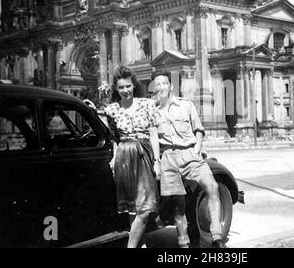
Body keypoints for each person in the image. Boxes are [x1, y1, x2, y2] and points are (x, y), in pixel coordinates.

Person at [85, 66, 161, 248]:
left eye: (128, 86)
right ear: (116, 89)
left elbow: (153, 134)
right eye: (121, 87)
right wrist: (114, 157)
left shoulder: (147, 104)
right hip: (124, 158)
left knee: (144, 209)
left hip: (143, 154)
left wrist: (157, 161)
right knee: (133, 209)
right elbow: (114, 137)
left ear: (134, 85)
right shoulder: (112, 110)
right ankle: (140, 245)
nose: (125, 90)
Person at [152, 71, 226, 248]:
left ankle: (217, 237)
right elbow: (154, 137)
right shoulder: (152, 111)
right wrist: (156, 160)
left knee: (213, 187)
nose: (161, 87)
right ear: (155, 88)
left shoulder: (186, 105)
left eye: (164, 83)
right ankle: (184, 244)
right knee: (179, 205)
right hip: (168, 158)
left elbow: (198, 129)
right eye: (158, 85)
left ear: (171, 86)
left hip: (190, 155)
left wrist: (197, 147)